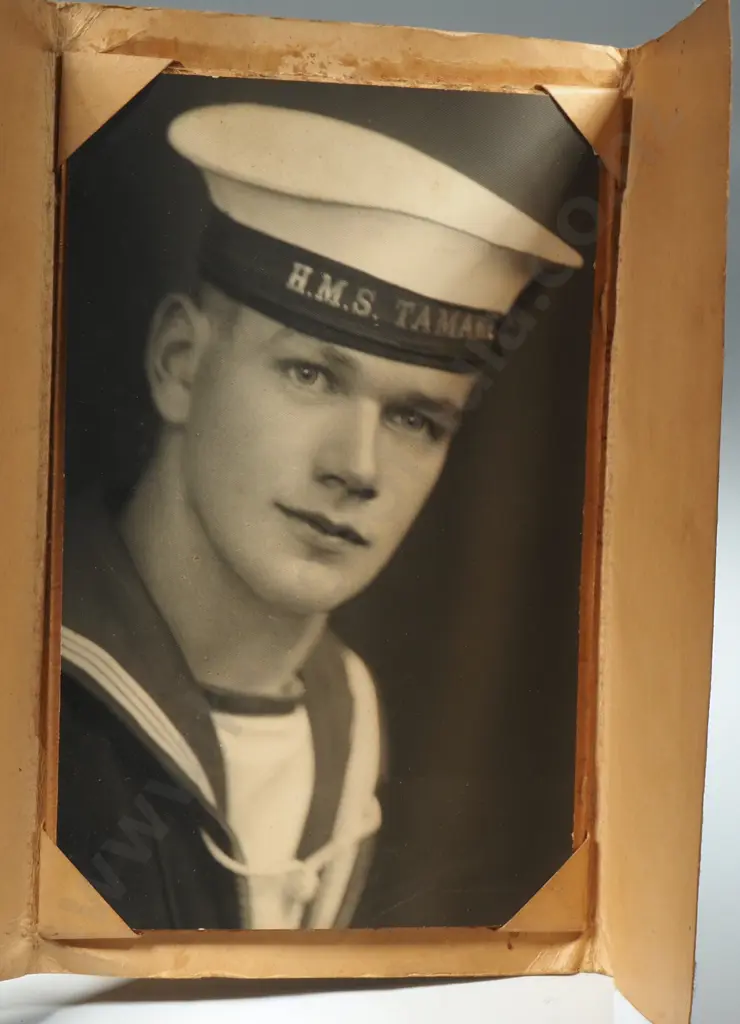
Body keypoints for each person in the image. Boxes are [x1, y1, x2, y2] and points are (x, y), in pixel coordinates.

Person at [57, 101, 582, 930]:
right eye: (310, 375)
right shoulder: (40, 690)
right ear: (180, 364)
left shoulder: (346, 719)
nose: (357, 467)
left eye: (415, 418)